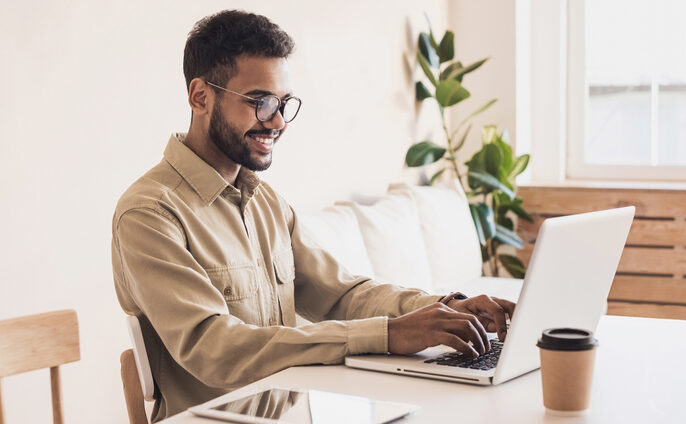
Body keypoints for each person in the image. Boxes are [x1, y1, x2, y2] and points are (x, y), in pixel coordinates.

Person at [111, 10, 516, 422]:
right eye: (261, 102)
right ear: (201, 97)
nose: (278, 122)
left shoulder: (265, 201)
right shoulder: (149, 213)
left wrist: (443, 310)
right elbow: (214, 348)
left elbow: (342, 294)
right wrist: (389, 336)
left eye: (284, 103)